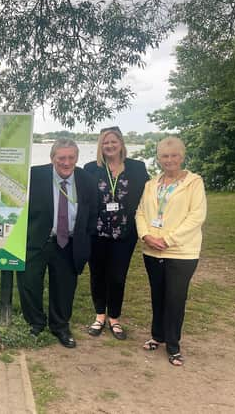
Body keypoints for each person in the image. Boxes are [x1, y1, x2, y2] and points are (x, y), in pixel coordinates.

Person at [18, 138, 98, 348]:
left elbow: (92, 214)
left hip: (68, 243)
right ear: (52, 158)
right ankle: (35, 323)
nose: (66, 162)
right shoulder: (34, 176)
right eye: (61, 157)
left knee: (64, 288)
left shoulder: (87, 180)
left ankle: (60, 326)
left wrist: (84, 240)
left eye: (71, 157)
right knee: (29, 283)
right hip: (37, 240)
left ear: (77, 158)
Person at [136, 136, 206, 366]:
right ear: (158, 159)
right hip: (152, 251)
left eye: (174, 155)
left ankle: (173, 346)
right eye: (165, 156)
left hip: (181, 252)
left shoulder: (194, 182)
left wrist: (167, 240)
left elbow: (196, 216)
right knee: (158, 296)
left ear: (182, 156)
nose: (169, 160)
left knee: (175, 299)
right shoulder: (151, 184)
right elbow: (141, 213)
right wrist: (146, 235)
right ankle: (157, 335)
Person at [84, 127, 149, 340]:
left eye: (113, 142)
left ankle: (114, 318)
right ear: (100, 146)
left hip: (124, 233)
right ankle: (100, 316)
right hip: (97, 233)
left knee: (118, 277)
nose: (109, 146)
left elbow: (148, 198)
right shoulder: (91, 169)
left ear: (121, 143)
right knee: (98, 275)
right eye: (105, 143)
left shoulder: (137, 168)